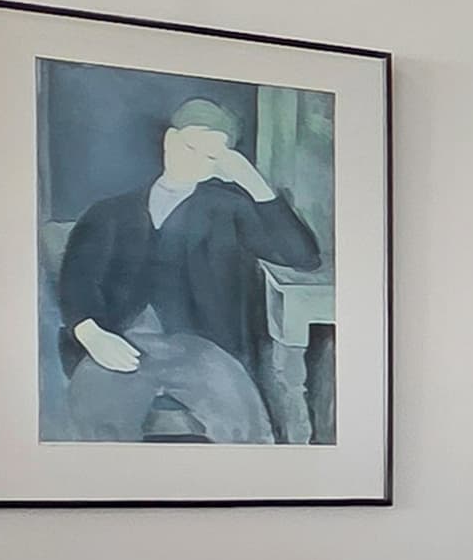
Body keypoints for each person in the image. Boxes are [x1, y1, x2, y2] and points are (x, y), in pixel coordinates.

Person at [52, 96, 323, 443]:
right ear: (170, 140)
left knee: (247, 434)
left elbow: (302, 256)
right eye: (190, 146)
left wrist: (252, 181)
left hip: (207, 350)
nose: (195, 160)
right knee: (93, 427)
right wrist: (90, 332)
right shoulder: (109, 213)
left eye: (211, 156)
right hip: (119, 344)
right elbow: (78, 278)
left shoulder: (230, 210)